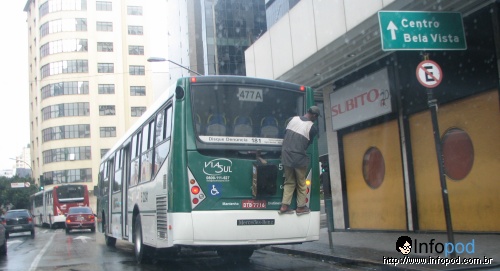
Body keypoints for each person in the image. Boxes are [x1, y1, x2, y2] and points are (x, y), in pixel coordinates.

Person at [279, 105, 320, 215]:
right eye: (316, 117)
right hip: (298, 157)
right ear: (314, 116)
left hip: (286, 155)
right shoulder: (312, 128)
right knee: (301, 183)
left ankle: (284, 206)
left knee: (289, 181)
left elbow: (285, 134)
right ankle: (301, 207)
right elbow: (307, 144)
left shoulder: (292, 119)